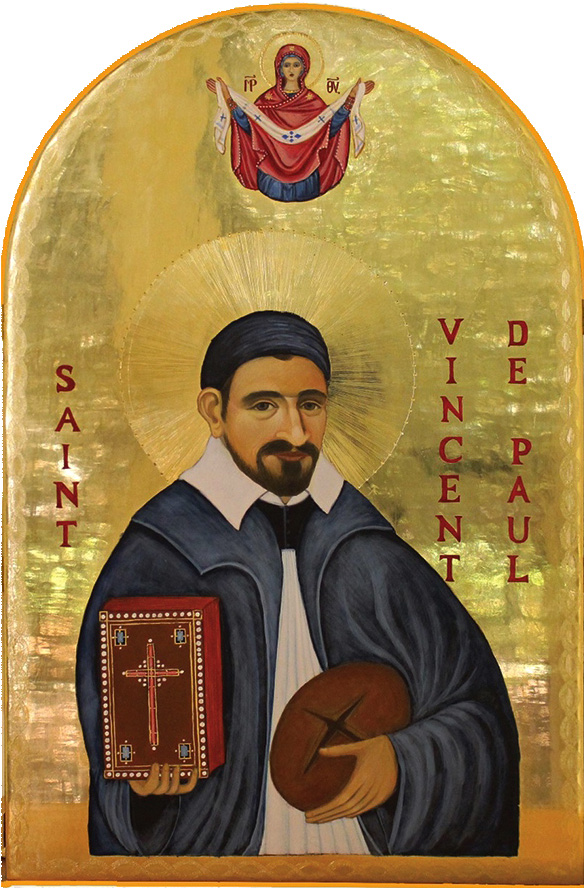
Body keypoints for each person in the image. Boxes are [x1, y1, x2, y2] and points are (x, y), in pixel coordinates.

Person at [76, 310, 519, 857]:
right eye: (264, 406)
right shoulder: (160, 550)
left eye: (310, 404)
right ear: (214, 411)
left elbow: (477, 713)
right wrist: (142, 793)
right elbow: (113, 739)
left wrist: (403, 760)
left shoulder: (370, 549)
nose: (295, 432)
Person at [208, 44, 374, 201]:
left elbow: (329, 129)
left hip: (307, 182)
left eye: (296, 65)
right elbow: (250, 128)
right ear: (279, 68)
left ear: (304, 68)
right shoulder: (266, 102)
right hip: (271, 181)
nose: (291, 69)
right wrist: (228, 99)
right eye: (287, 65)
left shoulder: (313, 103)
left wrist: (351, 98)